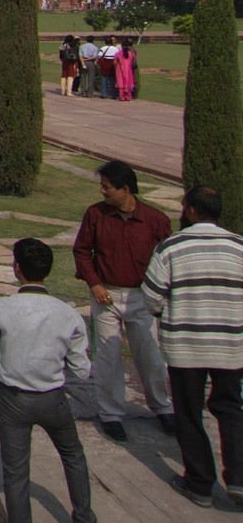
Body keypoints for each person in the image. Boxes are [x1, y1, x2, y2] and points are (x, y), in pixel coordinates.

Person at [0, 239, 96, 523]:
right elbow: (82, 370)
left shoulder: (0, 308)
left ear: (16, 269)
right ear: (47, 270)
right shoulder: (68, 313)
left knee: (15, 470)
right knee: (73, 454)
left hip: (13, 399)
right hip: (53, 397)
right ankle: (84, 516)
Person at [143, 186, 243, 509]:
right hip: (232, 347)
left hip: (185, 348)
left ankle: (200, 484)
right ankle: (239, 478)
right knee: (231, 409)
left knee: (188, 413)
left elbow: (151, 298)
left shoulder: (170, 247)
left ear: (191, 211)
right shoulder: (240, 247)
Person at [71, 159, 174, 442]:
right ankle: (111, 414)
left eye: (107, 187)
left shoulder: (156, 220)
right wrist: (94, 283)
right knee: (107, 356)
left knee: (150, 355)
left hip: (142, 297)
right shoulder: (95, 215)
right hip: (106, 295)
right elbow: (82, 251)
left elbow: (168, 259)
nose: (103, 192)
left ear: (125, 189)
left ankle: (163, 408)